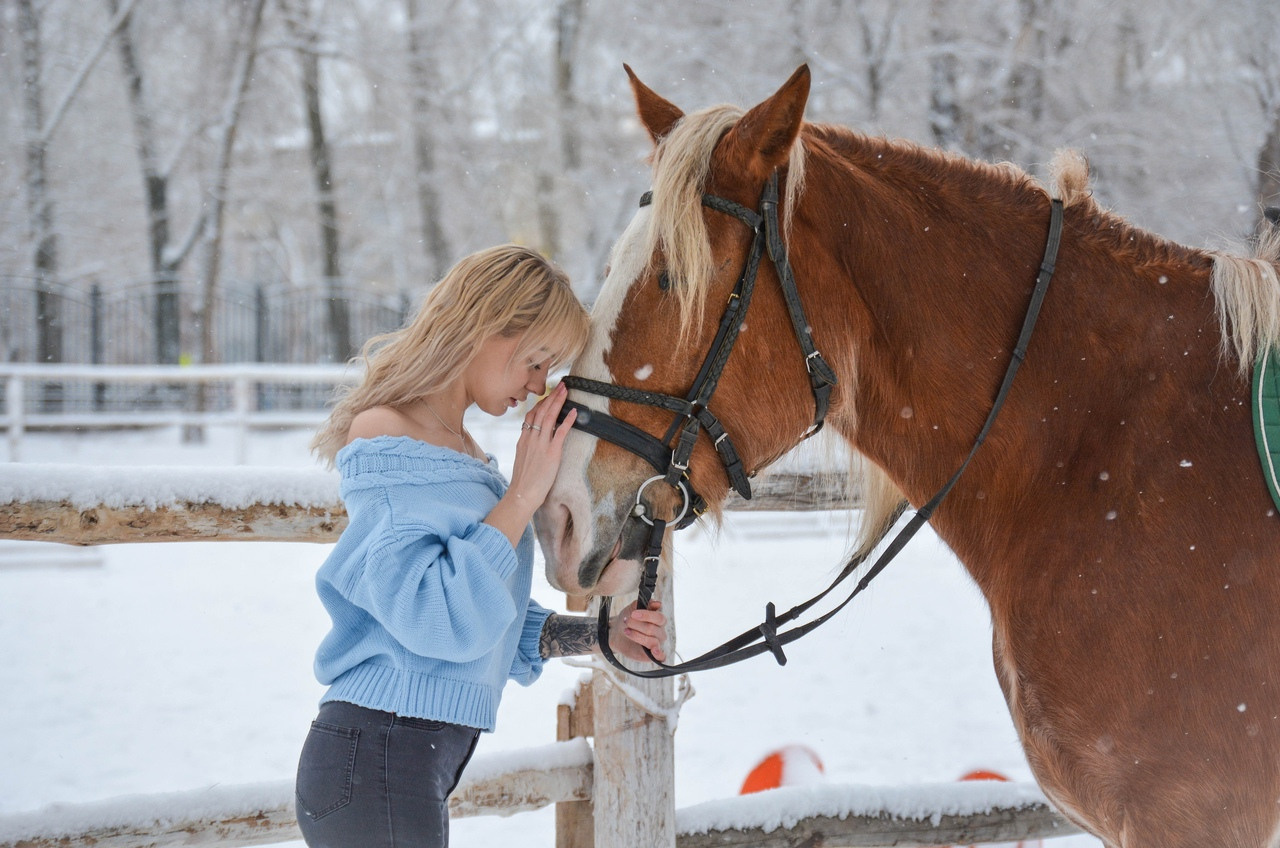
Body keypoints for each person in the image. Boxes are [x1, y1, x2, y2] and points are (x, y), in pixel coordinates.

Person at [296, 244, 667, 848]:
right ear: (485, 328)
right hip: (377, 759)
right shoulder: (387, 435)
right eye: (536, 362)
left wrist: (604, 636)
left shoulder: (467, 458)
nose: (538, 385)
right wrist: (521, 496)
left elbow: (490, 620)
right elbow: (436, 619)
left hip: (404, 763)